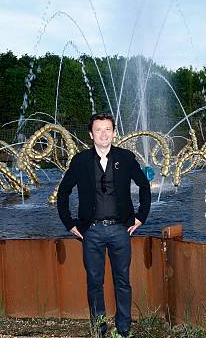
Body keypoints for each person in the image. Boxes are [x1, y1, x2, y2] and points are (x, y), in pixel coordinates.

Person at [57, 113, 151, 337]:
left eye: (107, 129)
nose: (103, 134)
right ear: (91, 135)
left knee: (123, 282)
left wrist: (141, 217)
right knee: (94, 283)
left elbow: (144, 186)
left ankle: (124, 330)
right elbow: (63, 193)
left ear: (114, 132)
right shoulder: (80, 161)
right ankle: (99, 330)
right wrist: (69, 223)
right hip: (91, 232)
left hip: (120, 229)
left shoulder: (126, 158)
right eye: (98, 130)